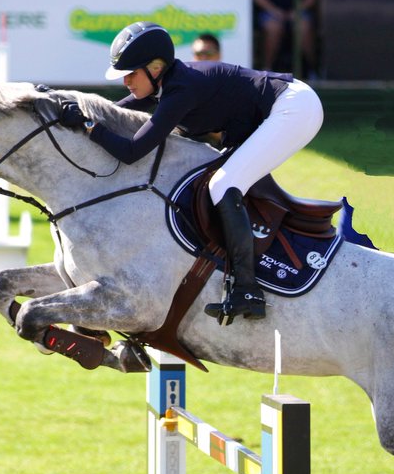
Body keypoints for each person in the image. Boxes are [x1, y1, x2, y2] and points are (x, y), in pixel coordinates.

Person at [62, 21, 324, 324]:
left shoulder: (181, 89)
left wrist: (89, 126)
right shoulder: (164, 83)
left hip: (294, 108)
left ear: (155, 68)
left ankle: (247, 290)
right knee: (218, 182)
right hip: (283, 108)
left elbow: (132, 152)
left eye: (131, 73)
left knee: (222, 185)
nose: (126, 81)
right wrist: (74, 112)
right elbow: (114, 112)